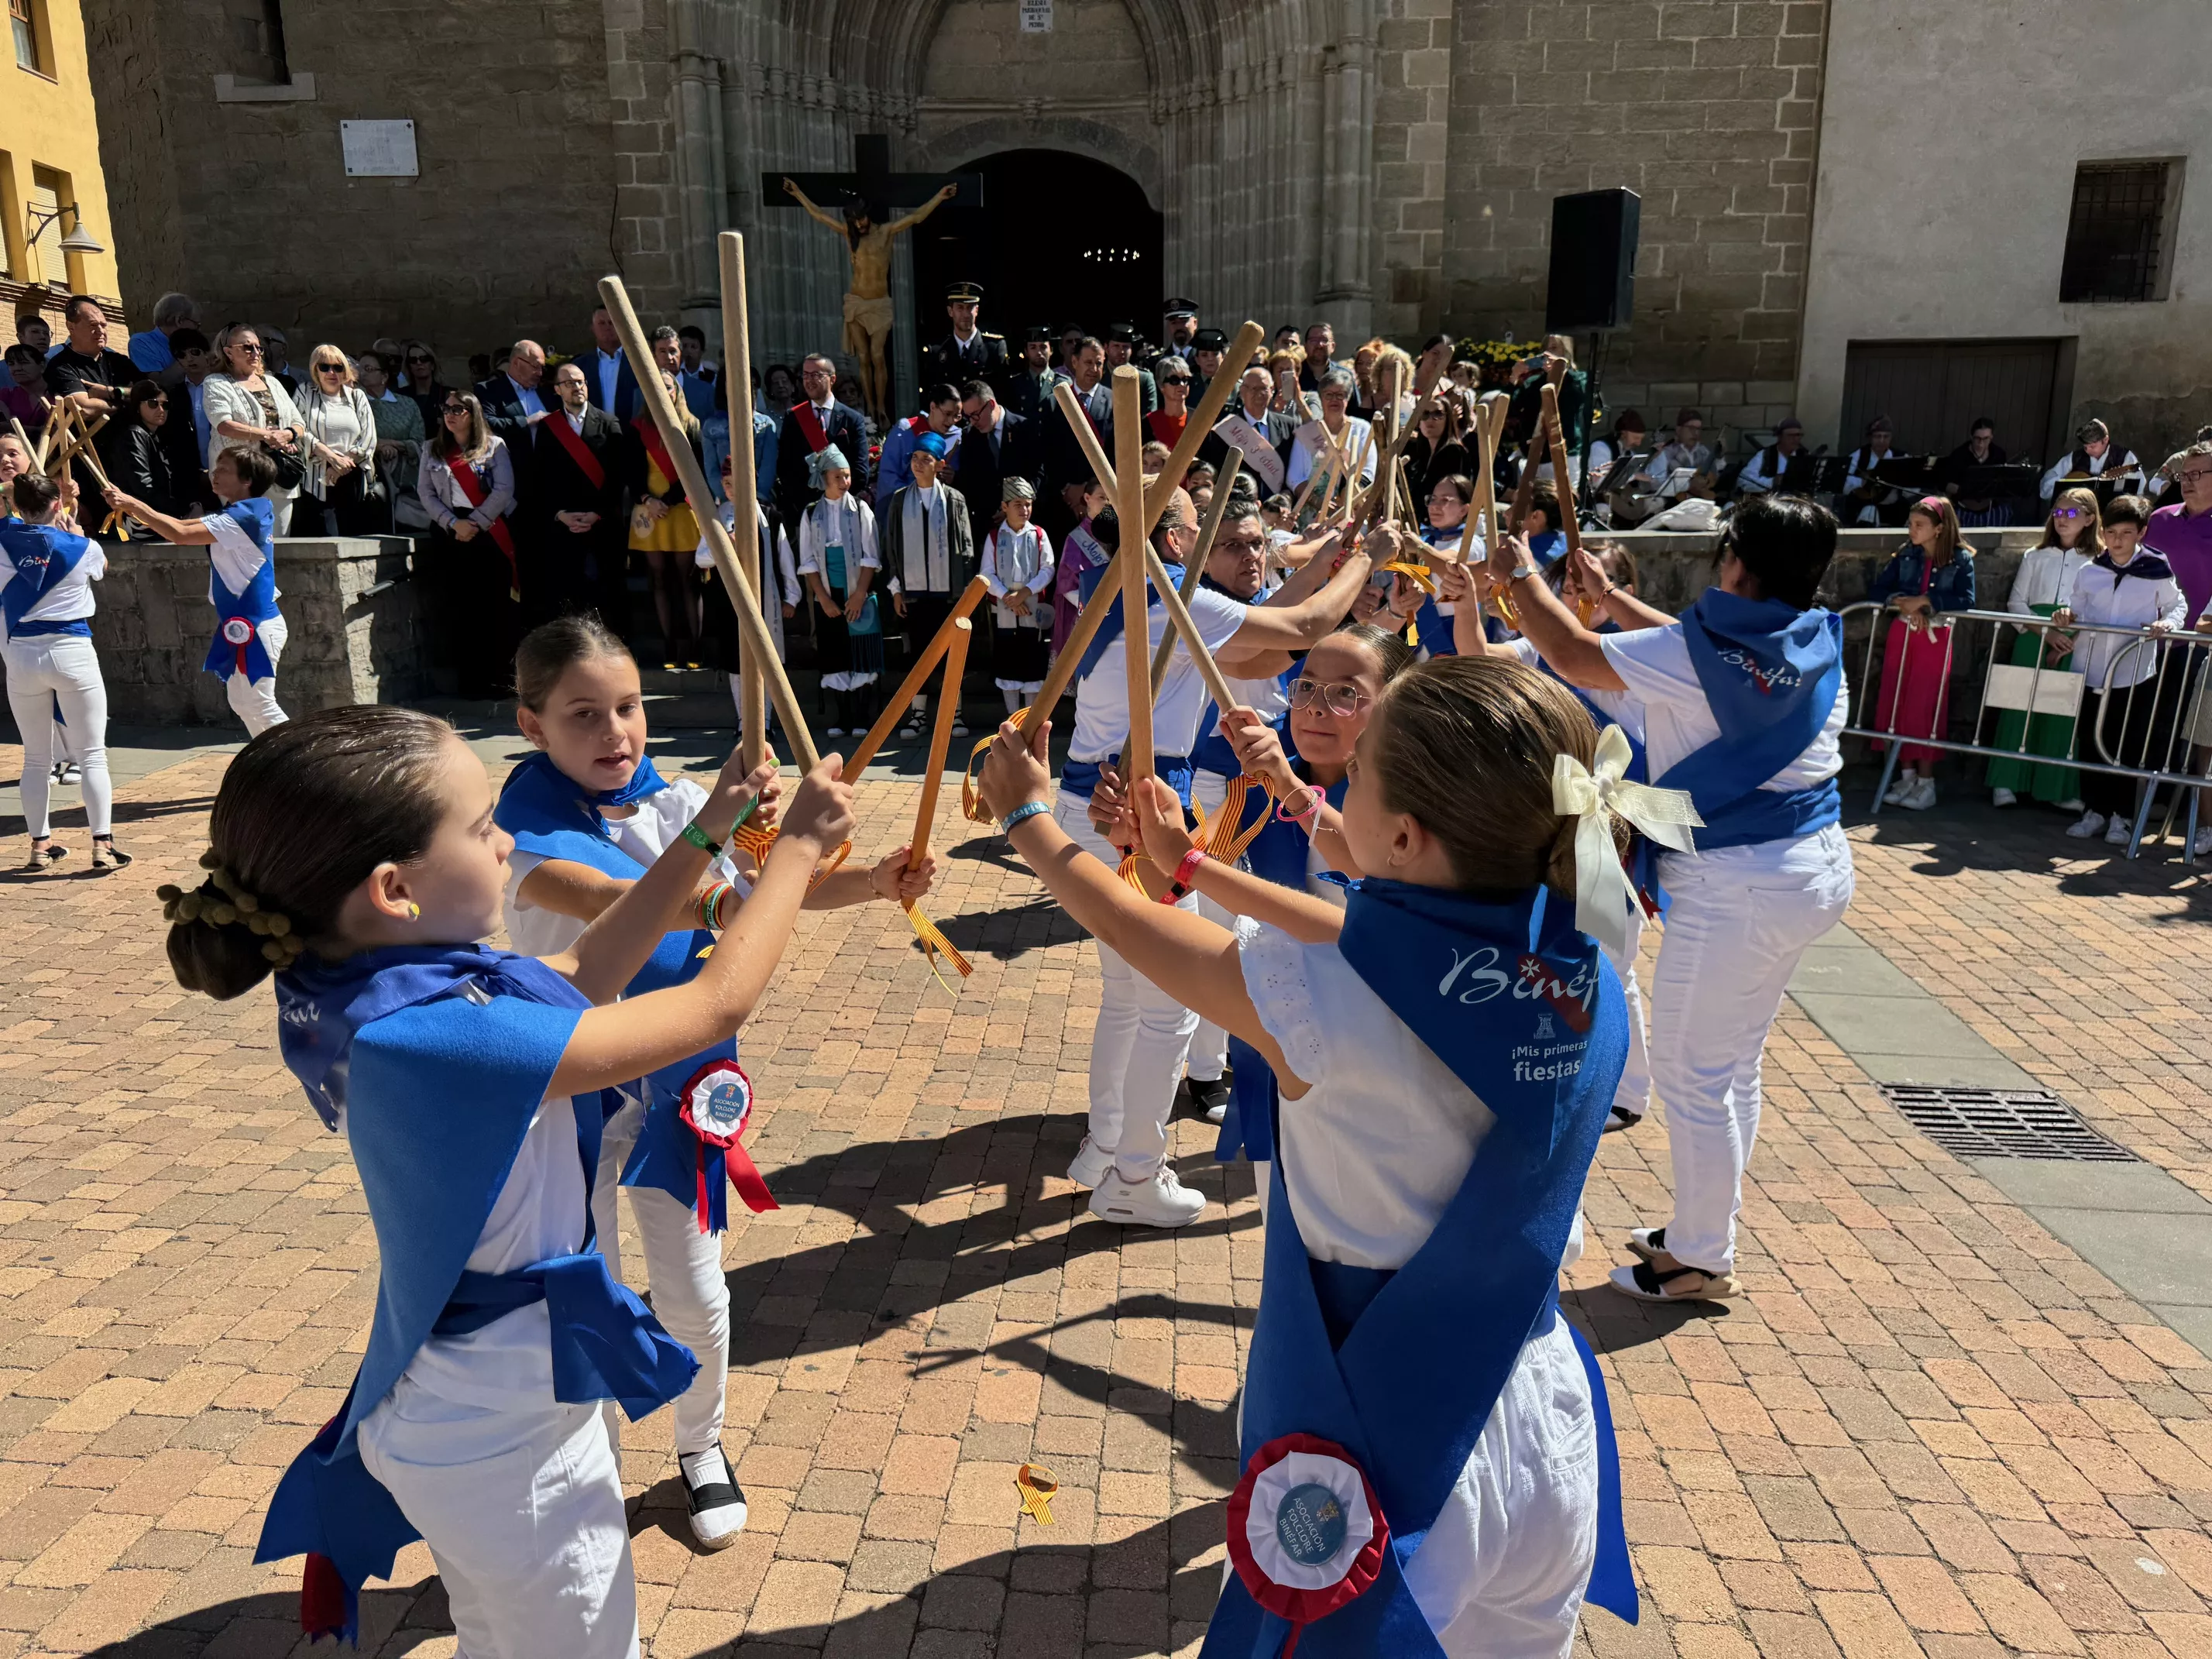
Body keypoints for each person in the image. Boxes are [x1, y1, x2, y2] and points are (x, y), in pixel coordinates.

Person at [976, 652, 1644, 1657]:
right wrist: (1200, 866)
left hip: (1399, 1436)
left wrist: (1031, 818)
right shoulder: (1590, 949)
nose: (1338, 790)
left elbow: (1127, 919)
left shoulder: (1323, 999)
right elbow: (1371, 925)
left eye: (1359, 771)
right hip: (1543, 1411)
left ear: (1408, 835)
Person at [177, 702, 850, 1654]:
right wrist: (795, 854)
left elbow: (585, 968)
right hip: (510, 1437)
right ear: (395, 888)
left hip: (476, 1399)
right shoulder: (437, 1031)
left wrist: (706, 830)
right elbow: (712, 1005)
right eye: (484, 826)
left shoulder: (373, 982)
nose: (506, 847)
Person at [494, 621, 908, 1549]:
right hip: (572, 1093)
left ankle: (703, 1445)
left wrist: (874, 882)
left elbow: (768, 888)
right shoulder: (523, 832)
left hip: (680, 1081)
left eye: (630, 707)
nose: (617, 733)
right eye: (583, 715)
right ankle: (588, 1458)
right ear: (532, 724)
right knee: (578, 1285)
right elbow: (623, 908)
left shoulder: (686, 796)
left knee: (693, 1289)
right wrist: (733, 837)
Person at [1495, 493, 1853, 1304]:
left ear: (1735, 564)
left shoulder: (1700, 656)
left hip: (1742, 886)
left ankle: (1699, 1254)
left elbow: (1573, 653)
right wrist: (1614, 597)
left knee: (1696, 1076)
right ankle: (1705, 1226)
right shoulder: (1814, 637)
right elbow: (1703, 651)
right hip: (1810, 870)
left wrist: (1522, 573)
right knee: (1733, 1064)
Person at [1056, 496, 1377, 1227]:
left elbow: (1264, 650)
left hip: (1101, 796)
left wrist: (1325, 562)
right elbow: (1301, 629)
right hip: (1134, 814)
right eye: (1198, 522)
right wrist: (1365, 560)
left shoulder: (1129, 586)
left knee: (1129, 997)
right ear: (1173, 537)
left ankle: (1104, 1146)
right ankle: (1136, 1176)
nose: (1204, 530)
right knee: (1169, 1005)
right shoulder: (1166, 595)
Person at [104, 445, 292, 735]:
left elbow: (180, 535)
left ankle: (302, 760)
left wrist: (133, 505)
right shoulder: (244, 511)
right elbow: (179, 524)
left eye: (225, 470)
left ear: (247, 480)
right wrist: (132, 505)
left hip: (256, 624)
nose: (215, 474)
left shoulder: (244, 517)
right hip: (246, 623)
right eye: (216, 468)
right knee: (243, 702)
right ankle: (273, 765)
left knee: (259, 703)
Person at [3, 470, 125, 871]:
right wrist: (74, 532)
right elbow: (102, 565)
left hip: (21, 654)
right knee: (92, 755)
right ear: (58, 504)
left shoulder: (3, 542)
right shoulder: (82, 546)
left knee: (36, 760)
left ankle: (40, 846)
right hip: (72, 652)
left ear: (18, 506)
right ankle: (102, 846)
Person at [2054, 496, 2188, 847]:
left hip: (2133, 671)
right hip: (2092, 669)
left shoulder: (2157, 568)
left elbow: (2177, 604)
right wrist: (2066, 616)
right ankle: (2093, 810)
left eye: (2126, 533)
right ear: (2102, 532)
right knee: (2090, 739)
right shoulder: (2090, 571)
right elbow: (2076, 608)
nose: (2117, 541)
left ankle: (2122, 816)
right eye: (2111, 532)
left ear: (2141, 534)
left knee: (2126, 743)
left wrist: (2167, 622)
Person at [781, 176, 958, 422]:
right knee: (863, 358)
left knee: (877, 355)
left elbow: (916, 217)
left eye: (861, 218)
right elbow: (820, 216)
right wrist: (798, 193)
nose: (859, 224)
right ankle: (871, 409)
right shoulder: (849, 234)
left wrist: (939, 196)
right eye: (854, 220)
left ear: (868, 214)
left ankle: (882, 407)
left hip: (879, 303)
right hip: (856, 301)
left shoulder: (885, 232)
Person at [1988, 489, 2097, 810]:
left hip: (2073, 642)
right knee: (2017, 706)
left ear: (2090, 519)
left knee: (2061, 712)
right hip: (2034, 637)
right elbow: (2016, 602)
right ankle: (2005, 781)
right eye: (2058, 513)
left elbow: (2096, 608)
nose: (2063, 519)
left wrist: (2069, 640)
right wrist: (2047, 633)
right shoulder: (2034, 556)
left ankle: (2057, 788)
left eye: (2072, 514)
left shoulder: (2097, 562)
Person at [1867, 496, 1975, 812]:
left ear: (1938, 529)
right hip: (1904, 633)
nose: (1912, 530)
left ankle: (1926, 782)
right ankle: (1906, 774)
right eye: (1910, 524)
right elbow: (1878, 589)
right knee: (1898, 699)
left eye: (1919, 525)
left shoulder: (1960, 559)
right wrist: (1902, 600)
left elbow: (1965, 599)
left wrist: (1927, 601)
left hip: (1934, 637)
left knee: (1923, 704)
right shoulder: (1905, 555)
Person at [420, 390, 521, 698]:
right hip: (452, 533)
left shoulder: (494, 447)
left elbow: (504, 489)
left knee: (495, 607)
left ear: (472, 414)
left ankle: (500, 681)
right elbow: (425, 493)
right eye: (446, 408)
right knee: (461, 607)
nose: (450, 414)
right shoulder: (432, 449)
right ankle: (471, 683)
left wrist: (475, 522)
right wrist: (453, 524)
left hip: (489, 531)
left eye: (458, 409)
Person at [695, 452, 800, 732]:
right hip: (731, 605)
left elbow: (784, 558)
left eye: (736, 483)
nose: (730, 489)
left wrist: (791, 596)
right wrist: (724, 546)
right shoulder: (717, 517)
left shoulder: (769, 517)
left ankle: (764, 721)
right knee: (736, 662)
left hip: (765, 601)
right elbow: (701, 558)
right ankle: (744, 720)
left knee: (765, 661)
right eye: (726, 484)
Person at [882, 432, 974, 738]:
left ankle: (954, 716)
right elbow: (892, 547)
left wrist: (964, 595)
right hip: (914, 595)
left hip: (948, 595)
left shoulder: (954, 500)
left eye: (926, 460)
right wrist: (896, 589)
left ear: (940, 465)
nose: (918, 464)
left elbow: (965, 548)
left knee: (951, 656)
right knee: (918, 657)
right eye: (915, 458)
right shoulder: (899, 500)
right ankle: (918, 716)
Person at [526, 361, 629, 627]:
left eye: (580, 381)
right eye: (570, 383)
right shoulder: (549, 427)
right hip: (565, 525)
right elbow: (541, 478)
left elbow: (618, 476)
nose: (577, 387)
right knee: (568, 595)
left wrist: (597, 514)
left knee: (609, 594)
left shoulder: (608, 423)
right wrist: (560, 514)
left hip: (602, 524)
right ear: (558, 390)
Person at [792, 445, 883, 737]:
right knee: (834, 652)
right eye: (838, 477)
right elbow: (808, 561)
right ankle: (841, 715)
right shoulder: (811, 513)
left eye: (847, 476)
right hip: (828, 592)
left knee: (861, 651)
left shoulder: (861, 510)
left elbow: (871, 555)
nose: (845, 482)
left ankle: (861, 715)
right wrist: (822, 597)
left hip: (857, 589)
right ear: (824, 478)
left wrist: (858, 595)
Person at [629, 370, 706, 669]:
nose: (664, 393)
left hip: (681, 509)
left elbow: (695, 471)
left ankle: (695, 646)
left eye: (668, 388)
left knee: (689, 581)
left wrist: (668, 501)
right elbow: (631, 472)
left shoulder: (691, 425)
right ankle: (670, 646)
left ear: (677, 391)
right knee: (659, 579)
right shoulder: (638, 428)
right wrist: (649, 500)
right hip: (649, 511)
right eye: (657, 389)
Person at [204, 324, 308, 534]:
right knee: (244, 541)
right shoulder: (216, 383)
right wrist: (268, 435)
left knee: (279, 541)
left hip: (278, 473)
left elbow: (299, 423)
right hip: (240, 475)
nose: (255, 352)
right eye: (247, 347)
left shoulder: (273, 382)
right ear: (228, 352)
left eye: (258, 348)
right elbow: (224, 425)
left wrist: (287, 434)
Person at [980, 477, 1054, 717]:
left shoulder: (1039, 534)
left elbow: (1048, 569)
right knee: (1008, 665)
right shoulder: (994, 537)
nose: (1024, 510)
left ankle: (1029, 721)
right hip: (1004, 611)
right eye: (1018, 504)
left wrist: (1024, 593)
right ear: (1004, 507)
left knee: (1032, 665)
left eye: (1028, 504)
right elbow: (986, 573)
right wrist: (1007, 597)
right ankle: (1012, 719)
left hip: (1032, 609)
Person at [775, 352, 871, 528]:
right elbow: (785, 468)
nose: (809, 380)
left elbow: (860, 469)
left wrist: (837, 496)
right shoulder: (794, 418)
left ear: (832, 379)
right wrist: (806, 503)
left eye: (816, 375)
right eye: (805, 375)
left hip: (843, 508)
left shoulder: (852, 419)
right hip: (805, 511)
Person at [292, 345, 380, 536]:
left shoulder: (357, 397)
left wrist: (342, 465)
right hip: (315, 478)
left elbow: (368, 438)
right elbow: (298, 429)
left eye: (338, 367)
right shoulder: (304, 393)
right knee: (322, 536)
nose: (331, 373)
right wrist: (330, 456)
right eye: (324, 367)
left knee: (353, 536)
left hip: (352, 477)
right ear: (315, 369)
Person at [953, 380, 1039, 557]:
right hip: (988, 529)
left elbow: (1038, 473)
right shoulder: (970, 437)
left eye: (976, 415)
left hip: (1026, 522)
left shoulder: (1025, 428)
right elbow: (970, 481)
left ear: (991, 404)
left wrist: (1013, 507)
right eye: (968, 417)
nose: (973, 422)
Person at [98, 378, 185, 524]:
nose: (161, 410)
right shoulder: (134, 434)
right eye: (153, 404)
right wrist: (178, 510)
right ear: (137, 406)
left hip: (153, 512)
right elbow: (143, 485)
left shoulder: (155, 435)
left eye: (165, 405)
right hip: (138, 518)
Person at [357, 350, 425, 538]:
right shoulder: (354, 403)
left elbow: (418, 442)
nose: (362, 373)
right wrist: (379, 446)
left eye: (368, 369)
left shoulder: (407, 404)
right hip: (368, 476)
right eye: (359, 368)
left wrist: (394, 445)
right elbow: (353, 437)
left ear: (384, 376)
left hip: (405, 480)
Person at [874, 383, 963, 514]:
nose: (951, 421)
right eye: (947, 414)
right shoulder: (906, 431)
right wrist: (918, 497)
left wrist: (952, 478)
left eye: (957, 416)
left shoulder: (957, 437)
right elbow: (888, 476)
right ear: (933, 407)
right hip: (904, 512)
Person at [1286, 369, 1376, 498]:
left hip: (1349, 508)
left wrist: (1347, 498)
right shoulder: (1306, 432)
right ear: (1321, 397)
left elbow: (1368, 470)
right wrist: (1319, 504)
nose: (1334, 400)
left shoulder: (1362, 429)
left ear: (1348, 397)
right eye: (1328, 395)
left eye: (1340, 395)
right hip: (1311, 511)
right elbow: (1294, 478)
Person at [923, 280, 1008, 386]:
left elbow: (1003, 391)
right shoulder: (937, 351)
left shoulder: (993, 348)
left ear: (976, 310)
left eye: (970, 307)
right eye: (960, 308)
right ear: (950, 311)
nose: (966, 314)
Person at [2041, 418, 2145, 503]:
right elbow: (2047, 484)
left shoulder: (2124, 456)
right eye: (2085, 447)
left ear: (2105, 440)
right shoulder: (2076, 457)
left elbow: (2137, 486)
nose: (2087, 450)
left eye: (2092, 446)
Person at [1840, 415, 1912, 527]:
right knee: (1868, 512)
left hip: (1892, 509)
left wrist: (1901, 482)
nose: (1882, 441)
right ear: (1871, 438)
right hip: (1863, 507)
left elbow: (1913, 488)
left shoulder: (1901, 457)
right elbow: (1844, 483)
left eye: (1886, 437)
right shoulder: (1859, 456)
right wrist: (1862, 483)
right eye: (1878, 437)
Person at [1938, 416, 2010, 527]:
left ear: (1991, 437)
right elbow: (1944, 483)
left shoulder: (1998, 454)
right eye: (1977, 439)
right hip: (1963, 509)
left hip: (1990, 509)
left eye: (1986, 439)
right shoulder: (1959, 455)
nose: (1981, 443)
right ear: (1971, 436)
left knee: (2007, 512)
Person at [582, 308, 642, 424]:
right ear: (593, 328)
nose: (607, 327)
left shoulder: (638, 363)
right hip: (595, 434)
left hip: (631, 433)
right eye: (601, 323)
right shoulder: (581, 365)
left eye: (612, 322)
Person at [1001, 325, 1062, 424]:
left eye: (1043, 347)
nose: (1038, 352)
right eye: (1033, 347)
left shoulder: (1062, 383)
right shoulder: (1015, 385)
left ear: (1051, 350)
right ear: (1026, 352)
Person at [127, 292, 199, 374]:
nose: (197, 330)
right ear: (179, 320)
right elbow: (158, 382)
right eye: (196, 324)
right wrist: (189, 357)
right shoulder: (142, 342)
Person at [1733, 417, 1805, 499]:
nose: (1796, 439)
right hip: (1770, 502)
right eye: (1791, 435)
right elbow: (1743, 481)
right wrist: (1773, 482)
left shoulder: (1804, 456)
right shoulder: (1765, 455)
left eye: (1798, 435)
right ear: (1780, 436)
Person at [1102, 323, 1159, 416]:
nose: (1121, 352)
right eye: (1116, 346)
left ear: (1131, 349)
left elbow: (1150, 416)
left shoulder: (1144, 379)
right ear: (1106, 348)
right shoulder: (1098, 376)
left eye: (1125, 347)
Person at [1146, 359, 1194, 450]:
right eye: (1174, 380)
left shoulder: (1199, 419)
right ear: (1161, 385)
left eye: (1185, 380)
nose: (1182, 384)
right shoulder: (1148, 423)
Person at [2, 344, 49, 429]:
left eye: (23, 362)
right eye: (11, 364)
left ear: (42, 366)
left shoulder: (60, 395)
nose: (17, 368)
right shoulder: (5, 396)